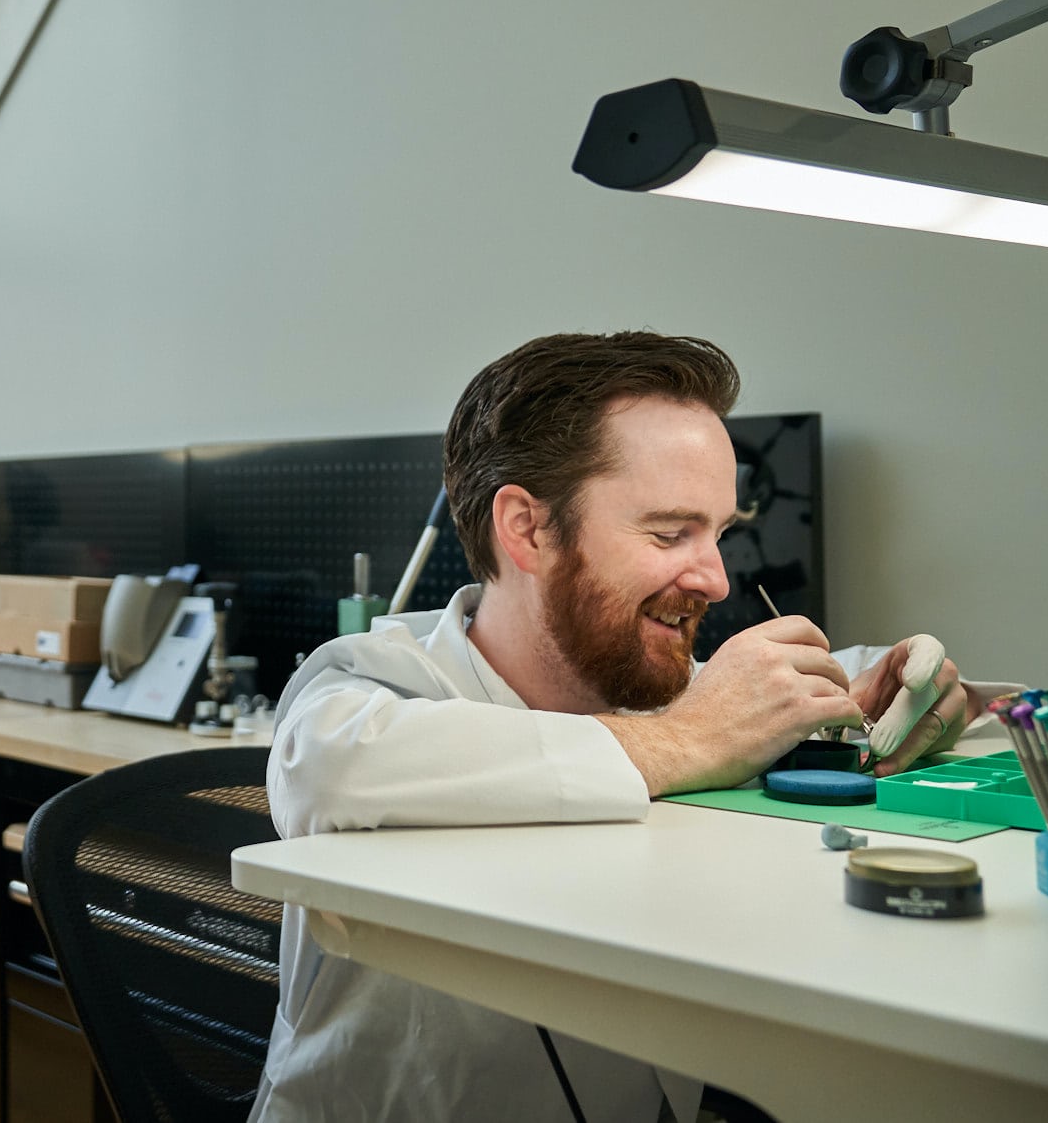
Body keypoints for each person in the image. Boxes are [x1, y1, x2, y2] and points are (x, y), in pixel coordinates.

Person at [251, 332, 1002, 1123]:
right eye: (669, 533)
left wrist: (913, 684)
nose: (713, 577)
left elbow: (829, 673)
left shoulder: (659, 684)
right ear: (528, 529)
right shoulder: (377, 683)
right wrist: (695, 740)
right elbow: (322, 769)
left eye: (719, 533)